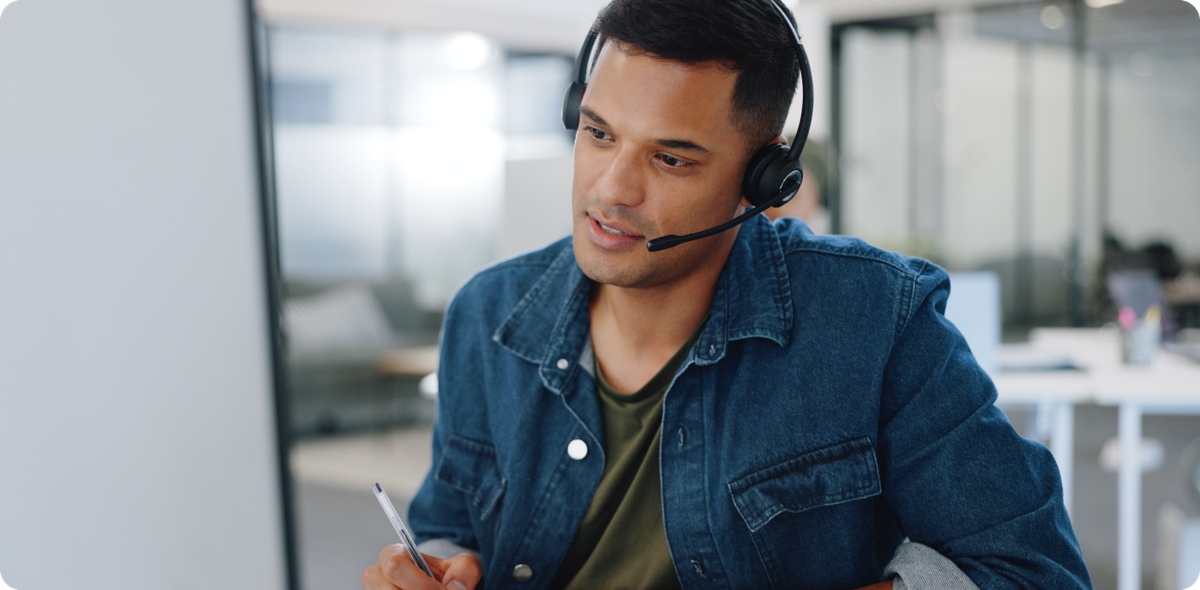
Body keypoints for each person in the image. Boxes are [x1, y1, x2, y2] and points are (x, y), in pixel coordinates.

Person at [363, 0, 1091, 588]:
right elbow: (448, 522)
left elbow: (1030, 568)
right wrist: (437, 564)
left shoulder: (875, 320)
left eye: (671, 157)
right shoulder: (487, 315)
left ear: (762, 179)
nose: (610, 190)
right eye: (598, 132)